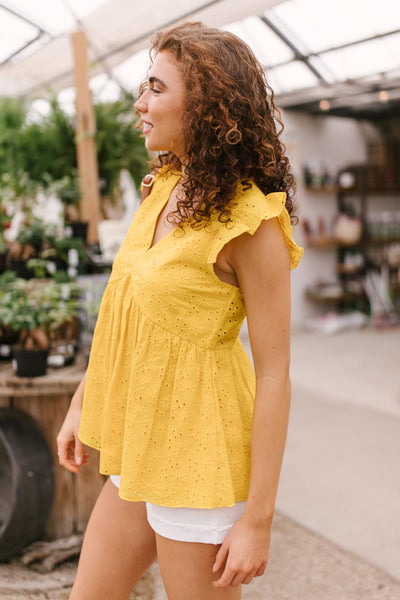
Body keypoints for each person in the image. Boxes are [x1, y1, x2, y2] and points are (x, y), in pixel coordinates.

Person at [57, 21, 303, 600]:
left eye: (156, 89)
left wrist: (257, 521)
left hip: (201, 452)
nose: (140, 104)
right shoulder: (163, 187)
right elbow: (127, 311)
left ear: (208, 108)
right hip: (142, 442)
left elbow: (275, 375)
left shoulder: (252, 222)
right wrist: (81, 403)